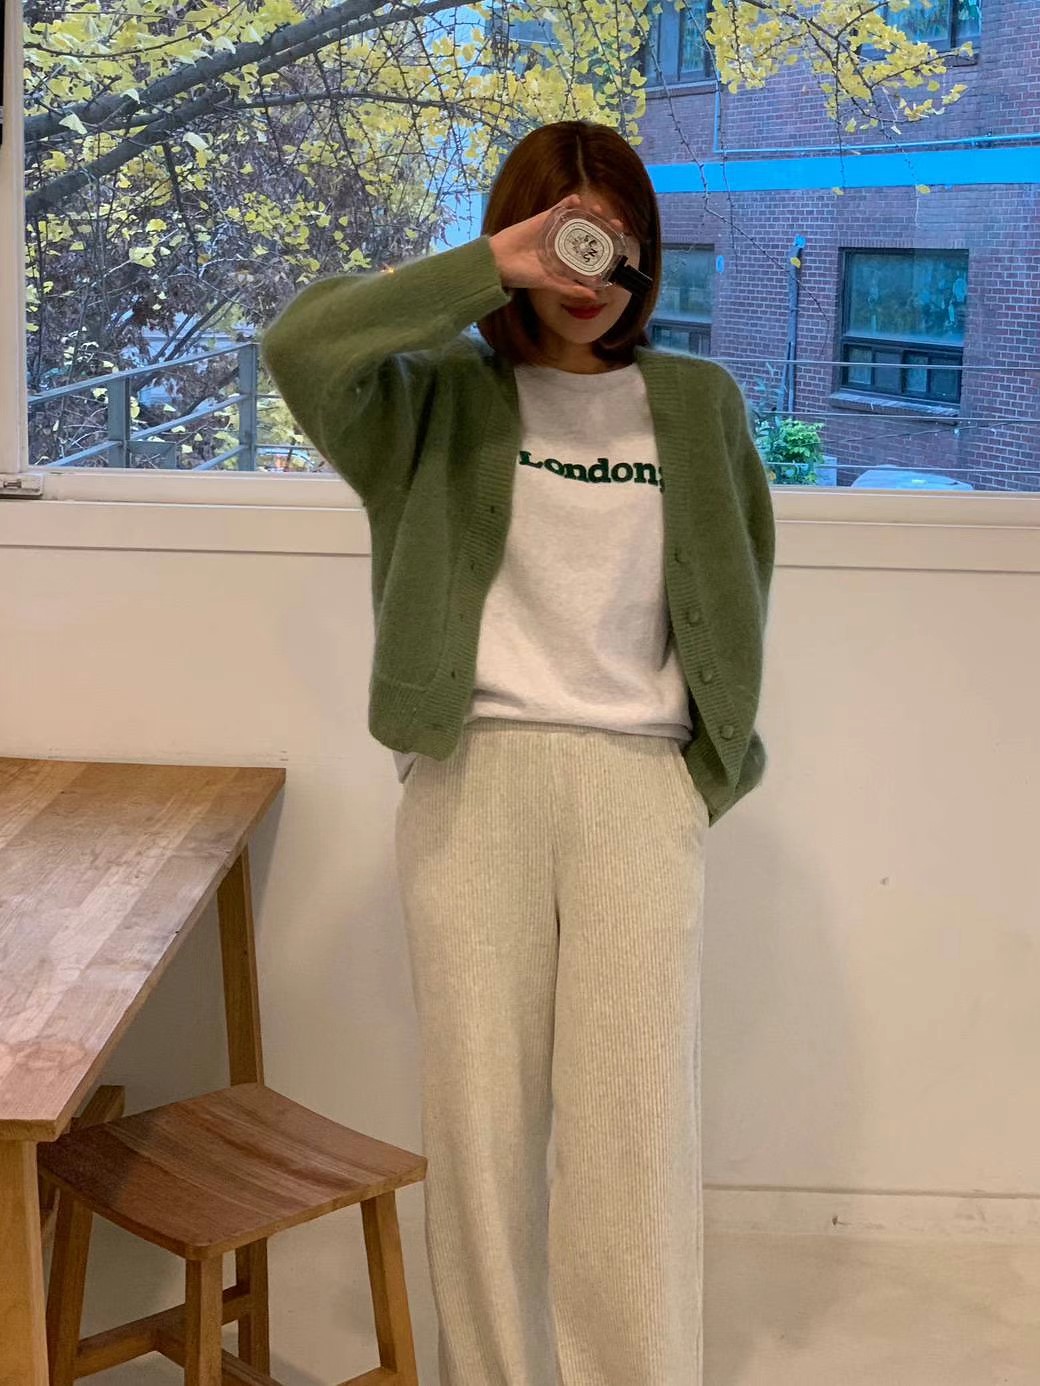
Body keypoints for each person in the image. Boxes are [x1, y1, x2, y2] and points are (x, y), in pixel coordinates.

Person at [262, 119, 775, 1386]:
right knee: (479, 1130)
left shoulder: (698, 405)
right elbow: (301, 346)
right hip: (474, 779)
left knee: (629, 1130)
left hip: (635, 787)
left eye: (614, 239)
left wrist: (704, 774)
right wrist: (493, 263)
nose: (589, 269)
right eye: (563, 237)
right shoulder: (429, 401)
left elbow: (741, 587)